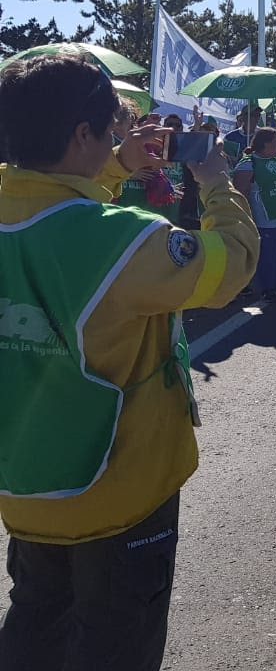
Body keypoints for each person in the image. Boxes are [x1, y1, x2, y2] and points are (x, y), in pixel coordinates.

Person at [0, 51, 258, 671]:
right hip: (121, 491)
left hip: (27, 485)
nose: (119, 136)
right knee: (116, 643)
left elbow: (59, 208)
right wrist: (217, 181)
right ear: (82, 134)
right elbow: (233, 264)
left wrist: (114, 167)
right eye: (109, 129)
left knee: (34, 626)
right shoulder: (127, 238)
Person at [232, 127, 276, 304]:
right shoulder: (248, 163)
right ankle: (268, 288)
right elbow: (240, 193)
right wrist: (247, 219)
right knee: (268, 257)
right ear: (266, 143)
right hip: (267, 220)